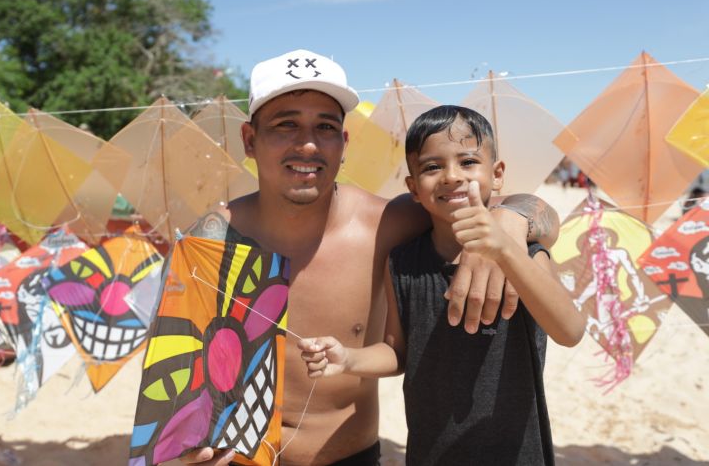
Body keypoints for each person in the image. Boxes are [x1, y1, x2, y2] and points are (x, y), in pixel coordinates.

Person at [170, 51, 560, 466]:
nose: (307, 143)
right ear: (250, 140)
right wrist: (187, 447)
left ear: (344, 142)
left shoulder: (388, 224)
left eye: (325, 126)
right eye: (286, 124)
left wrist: (509, 221)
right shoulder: (213, 237)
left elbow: (545, 219)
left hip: (349, 458)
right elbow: (180, 363)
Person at [299, 106, 584, 465]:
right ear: (413, 188)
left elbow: (570, 331)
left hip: (516, 454)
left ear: (497, 175)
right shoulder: (402, 263)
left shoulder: (526, 252)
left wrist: (506, 252)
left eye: (468, 162)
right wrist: (348, 357)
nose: (451, 176)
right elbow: (398, 352)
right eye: (432, 167)